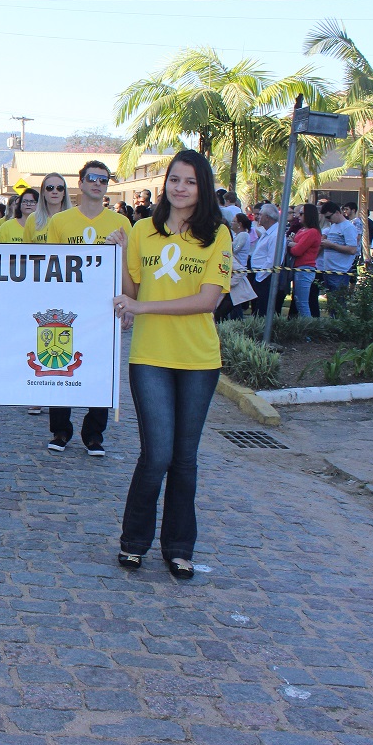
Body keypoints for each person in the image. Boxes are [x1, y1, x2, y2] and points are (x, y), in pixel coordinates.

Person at [112, 149, 230, 580]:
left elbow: (208, 300)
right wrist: (122, 257)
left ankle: (179, 548)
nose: (180, 188)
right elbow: (133, 290)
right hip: (150, 358)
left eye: (191, 182)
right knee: (156, 454)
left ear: (204, 188)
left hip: (199, 359)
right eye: (175, 180)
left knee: (185, 458)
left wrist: (141, 309)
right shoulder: (143, 229)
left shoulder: (217, 234)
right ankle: (134, 543)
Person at [44, 161, 131, 456]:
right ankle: (60, 430)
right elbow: (50, 267)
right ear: (80, 183)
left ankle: (94, 434)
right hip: (67, 306)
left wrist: (129, 306)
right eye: (92, 178)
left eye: (103, 180)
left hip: (105, 308)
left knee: (101, 368)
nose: (97, 184)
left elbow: (127, 269)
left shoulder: (121, 223)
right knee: (59, 363)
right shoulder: (61, 221)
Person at [316, 200, 359, 309]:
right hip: (328, 269)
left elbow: (352, 249)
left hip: (340, 271)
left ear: (337, 212)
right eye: (326, 218)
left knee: (338, 304)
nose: (328, 220)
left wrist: (331, 245)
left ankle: (338, 323)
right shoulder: (333, 226)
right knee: (332, 304)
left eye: (329, 217)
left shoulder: (348, 227)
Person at [285, 203, 321, 319]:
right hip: (298, 268)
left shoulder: (313, 232)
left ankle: (308, 331)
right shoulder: (302, 230)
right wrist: (294, 244)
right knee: (298, 301)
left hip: (305, 269)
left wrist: (291, 244)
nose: (298, 216)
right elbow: (296, 245)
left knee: (302, 303)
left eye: (301, 213)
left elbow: (297, 251)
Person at [248, 204, 280, 317]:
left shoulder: (276, 235)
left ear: (268, 217)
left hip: (265, 277)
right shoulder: (268, 232)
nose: (257, 217)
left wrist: (260, 277)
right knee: (257, 309)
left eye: (260, 215)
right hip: (259, 275)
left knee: (262, 311)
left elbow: (272, 260)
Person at [24, 174, 68, 244]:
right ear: (43, 192)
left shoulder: (73, 218)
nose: (55, 192)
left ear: (64, 193)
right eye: (50, 188)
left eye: (59, 188)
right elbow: (25, 250)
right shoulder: (32, 219)